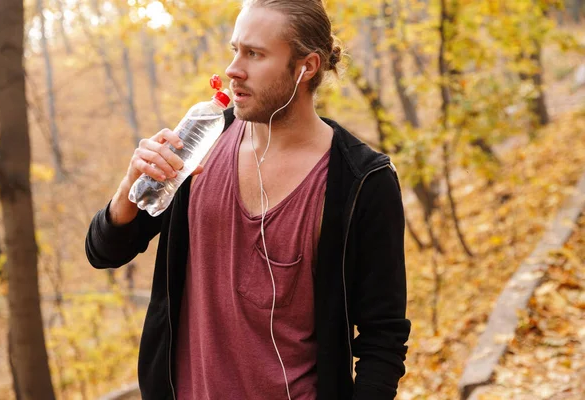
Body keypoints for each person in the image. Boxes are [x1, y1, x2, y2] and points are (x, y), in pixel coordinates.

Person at [85, 0, 410, 399]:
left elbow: (384, 337)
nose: (233, 69)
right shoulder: (200, 140)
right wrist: (129, 187)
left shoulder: (363, 181)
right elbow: (104, 252)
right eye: (234, 50)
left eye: (254, 54)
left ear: (306, 67)